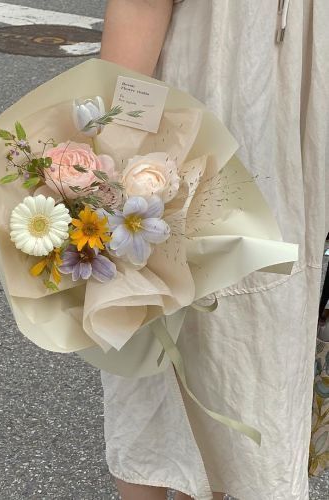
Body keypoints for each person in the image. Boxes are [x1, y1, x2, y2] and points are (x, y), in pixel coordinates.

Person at [99, 1, 329, 499]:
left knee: (253, 362)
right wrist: (109, 152)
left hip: (297, 147)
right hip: (204, 124)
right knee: (174, 355)